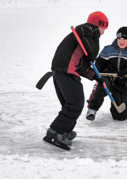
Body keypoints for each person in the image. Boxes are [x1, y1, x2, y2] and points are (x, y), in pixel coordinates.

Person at [43, 11, 108, 149]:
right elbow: (87, 50)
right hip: (66, 71)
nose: (103, 33)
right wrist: (92, 48)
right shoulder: (86, 30)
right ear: (98, 25)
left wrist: (95, 76)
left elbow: (81, 64)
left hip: (64, 70)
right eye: (103, 29)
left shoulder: (84, 38)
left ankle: (64, 131)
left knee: (71, 104)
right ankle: (54, 132)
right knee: (75, 103)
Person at [86, 26, 127, 121]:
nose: (121, 41)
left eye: (124, 39)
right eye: (119, 39)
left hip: (123, 81)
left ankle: (123, 111)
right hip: (108, 77)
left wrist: (125, 72)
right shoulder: (108, 49)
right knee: (102, 86)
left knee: (119, 117)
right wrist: (97, 73)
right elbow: (100, 63)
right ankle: (92, 110)